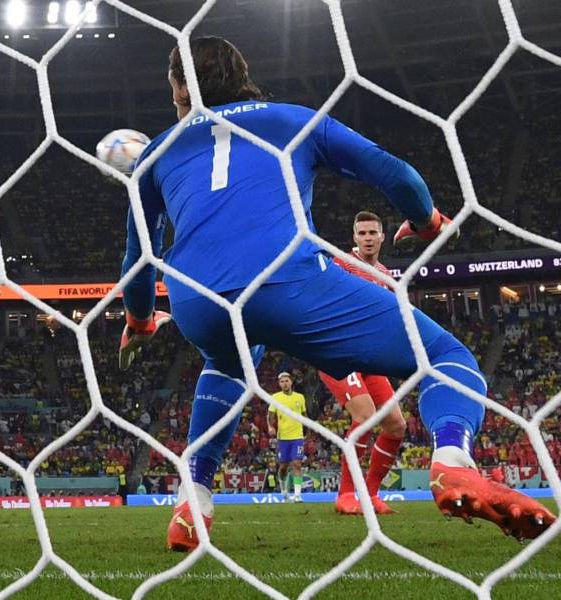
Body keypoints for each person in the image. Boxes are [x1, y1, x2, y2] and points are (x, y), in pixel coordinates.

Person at [117, 36, 555, 552]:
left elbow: (137, 259)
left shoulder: (157, 151)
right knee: (443, 355)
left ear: (179, 86)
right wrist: (425, 219)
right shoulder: (290, 118)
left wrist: (142, 321)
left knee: (229, 363)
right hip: (285, 279)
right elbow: (394, 171)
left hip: (197, 300)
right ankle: (452, 460)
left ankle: (195, 497)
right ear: (241, 78)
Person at [318, 211, 406, 516]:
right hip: (338, 355)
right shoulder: (340, 263)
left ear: (382, 236)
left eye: (373, 233)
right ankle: (345, 495)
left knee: (396, 424)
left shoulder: (385, 274)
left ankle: (369, 495)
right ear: (354, 238)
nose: (368, 238)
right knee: (366, 415)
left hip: (369, 359)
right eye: (362, 233)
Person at [266, 372, 306, 502]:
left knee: (297, 464)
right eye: (282, 381)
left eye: (287, 381)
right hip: (283, 437)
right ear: (279, 384)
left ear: (291, 382)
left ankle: (297, 495)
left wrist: (308, 431)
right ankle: (284, 490)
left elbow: (304, 415)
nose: (285, 383)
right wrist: (270, 427)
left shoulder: (300, 397)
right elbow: (270, 415)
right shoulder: (276, 397)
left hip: (297, 436)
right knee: (283, 467)